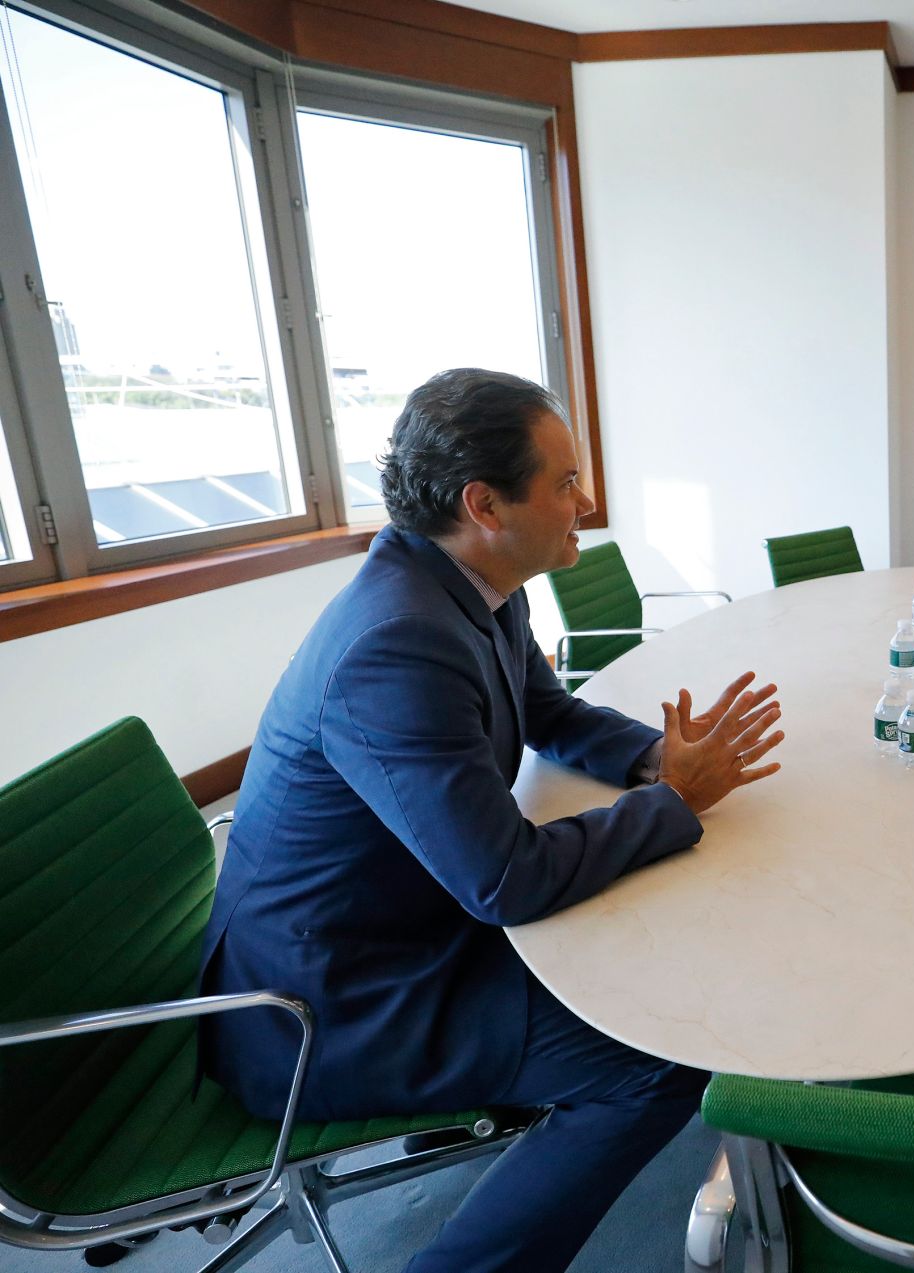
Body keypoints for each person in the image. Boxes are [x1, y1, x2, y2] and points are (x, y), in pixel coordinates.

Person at [198, 369, 785, 1273]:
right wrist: (672, 805)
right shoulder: (397, 640)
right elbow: (504, 879)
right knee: (658, 1055)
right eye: (565, 482)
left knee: (654, 957)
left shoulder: (461, 584)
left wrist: (654, 760)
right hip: (327, 1006)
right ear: (486, 503)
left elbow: (547, 712)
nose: (585, 503)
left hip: (390, 930)